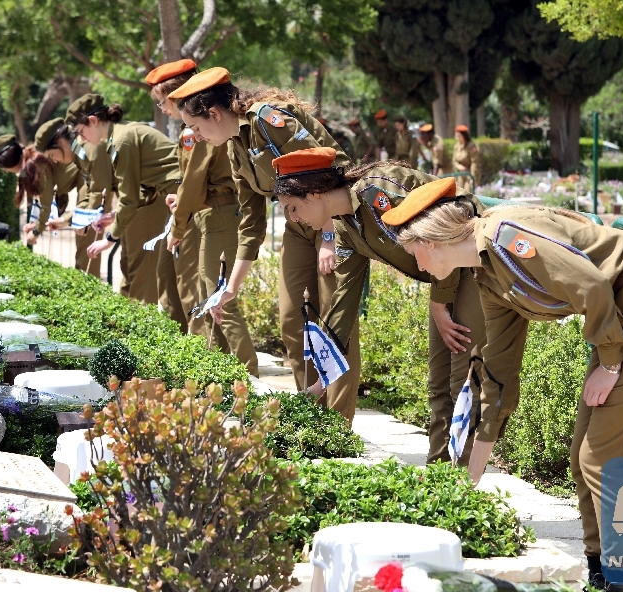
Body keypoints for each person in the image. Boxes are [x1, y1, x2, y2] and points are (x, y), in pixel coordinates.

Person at [383, 177, 623, 592]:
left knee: (601, 458)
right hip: (618, 321)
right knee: (582, 456)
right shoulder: (487, 275)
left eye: (414, 253)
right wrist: (468, 483)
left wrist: (610, 362)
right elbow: (499, 370)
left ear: (431, 241)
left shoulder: (506, 238)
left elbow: (590, 284)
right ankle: (601, 573)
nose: (419, 268)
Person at [167, 67, 362, 422]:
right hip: (298, 223)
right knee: (293, 321)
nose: (195, 135)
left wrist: (330, 237)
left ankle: (338, 428)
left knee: (335, 328)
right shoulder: (234, 145)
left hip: (336, 221)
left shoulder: (269, 120)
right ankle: (312, 419)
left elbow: (333, 173)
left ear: (214, 114)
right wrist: (230, 288)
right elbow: (251, 220)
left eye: (195, 126)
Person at [272, 148, 485, 455]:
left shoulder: (381, 189)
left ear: (315, 193)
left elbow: (443, 231)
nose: (293, 218)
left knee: (461, 381)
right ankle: (442, 474)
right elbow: (343, 303)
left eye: (293, 208)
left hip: (472, 264)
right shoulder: (345, 226)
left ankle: (462, 477)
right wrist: (322, 379)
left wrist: (439, 304)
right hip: (444, 275)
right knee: (438, 386)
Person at [147, 59, 259, 376]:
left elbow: (194, 182)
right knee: (208, 298)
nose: (163, 109)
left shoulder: (195, 130)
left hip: (219, 214)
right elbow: (195, 183)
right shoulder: (198, 127)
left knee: (219, 299)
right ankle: (216, 370)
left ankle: (249, 376)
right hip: (214, 211)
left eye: (162, 101)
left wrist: (177, 226)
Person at [65, 94, 188, 329]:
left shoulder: (122, 140)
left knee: (184, 282)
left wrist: (108, 239)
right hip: (170, 196)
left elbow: (129, 197)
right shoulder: (118, 136)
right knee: (166, 278)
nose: (81, 138)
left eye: (81, 131)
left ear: (93, 121)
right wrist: (114, 218)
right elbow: (142, 190)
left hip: (183, 198)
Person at [34, 118, 116, 277]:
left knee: (138, 271)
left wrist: (83, 220)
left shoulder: (90, 148)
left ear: (60, 142)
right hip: (138, 198)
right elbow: (90, 190)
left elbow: (99, 191)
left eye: (52, 155)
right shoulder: (80, 154)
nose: (54, 160)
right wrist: (68, 219)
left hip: (148, 196)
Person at [14, 124, 84, 247]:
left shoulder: (39, 165)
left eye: (51, 155)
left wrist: (36, 231)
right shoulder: (78, 156)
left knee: (85, 249)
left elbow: (46, 204)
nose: (55, 161)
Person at [452, 124, 480, 192]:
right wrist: (458, 166)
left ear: (464, 136)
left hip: (469, 173)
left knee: (467, 193)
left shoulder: (471, 146)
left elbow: (474, 163)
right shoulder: (456, 146)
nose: (457, 138)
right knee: (459, 193)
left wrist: (473, 178)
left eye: (459, 136)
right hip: (460, 174)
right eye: (456, 136)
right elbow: (454, 160)